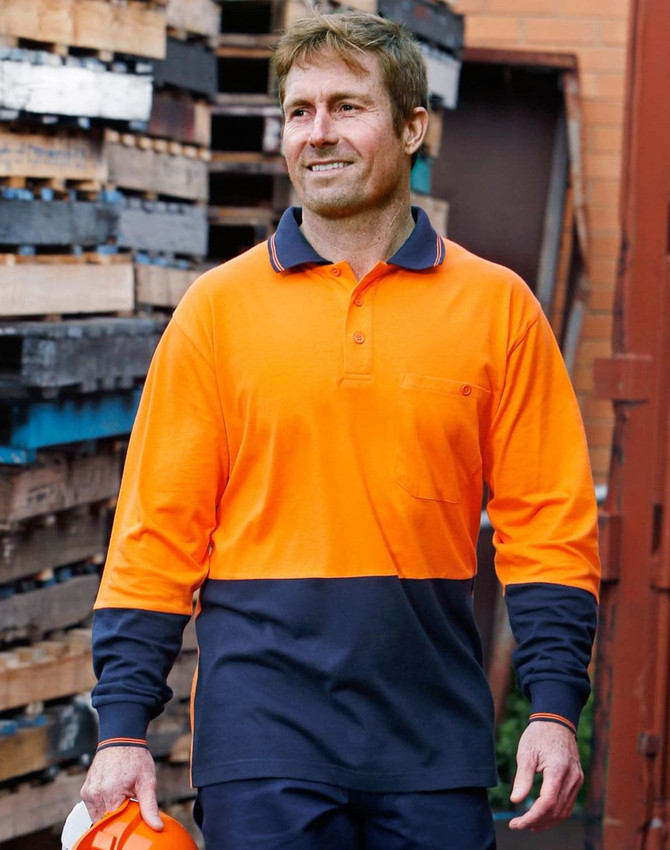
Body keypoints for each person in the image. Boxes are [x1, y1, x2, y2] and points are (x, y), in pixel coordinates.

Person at [80, 11, 600, 849]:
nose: (317, 134)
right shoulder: (218, 311)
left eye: (347, 108)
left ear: (412, 128)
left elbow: (549, 525)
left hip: (432, 741)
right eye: (299, 111)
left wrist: (551, 708)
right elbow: (155, 532)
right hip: (262, 739)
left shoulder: (498, 308)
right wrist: (122, 730)